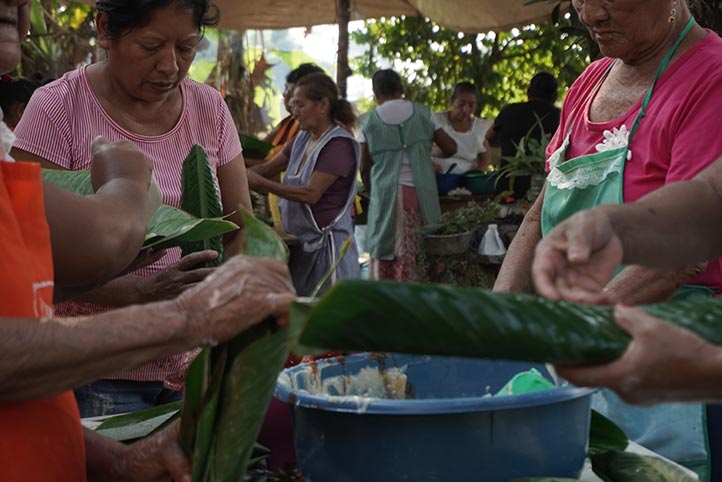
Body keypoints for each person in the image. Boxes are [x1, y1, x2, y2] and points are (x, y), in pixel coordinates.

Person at [0, 5, 295, 480]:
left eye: (186, 47)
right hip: (92, 369)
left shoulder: (208, 108)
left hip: (192, 367)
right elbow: (33, 266)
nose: (170, 66)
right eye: (152, 47)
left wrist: (234, 302)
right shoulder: (58, 108)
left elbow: (241, 228)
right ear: (104, 30)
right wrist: (150, 296)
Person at [493, 0, 722, 477]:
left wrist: (574, 332)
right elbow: (538, 216)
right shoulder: (590, 81)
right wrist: (499, 320)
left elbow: (684, 254)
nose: (591, 13)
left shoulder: (711, 77)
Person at [247, 72, 359, 296]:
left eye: (300, 105)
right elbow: (267, 168)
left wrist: (262, 183)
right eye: (292, 105)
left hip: (329, 252)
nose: (294, 112)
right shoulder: (302, 138)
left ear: (323, 105)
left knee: (325, 319)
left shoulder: (339, 144)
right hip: (302, 247)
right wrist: (232, 172)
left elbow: (311, 194)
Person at [359, 69, 456, 282]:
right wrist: (424, 151)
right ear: (402, 90)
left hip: (385, 197)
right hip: (422, 197)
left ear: (375, 94)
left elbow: (364, 166)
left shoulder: (368, 121)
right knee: (421, 248)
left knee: (387, 248)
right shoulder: (424, 114)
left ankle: (387, 297)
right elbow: (451, 147)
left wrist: (370, 188)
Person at [485, 72, 560, 199]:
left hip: (507, 192)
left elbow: (488, 138)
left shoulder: (509, 111)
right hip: (546, 196)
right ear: (554, 96)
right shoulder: (560, 117)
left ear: (528, 92)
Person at [431, 81, 491, 174]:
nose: (465, 109)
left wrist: (475, 175)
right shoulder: (435, 120)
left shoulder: (480, 128)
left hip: (466, 184)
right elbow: (420, 149)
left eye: (471, 105)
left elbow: (485, 160)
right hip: (436, 179)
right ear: (451, 101)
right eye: (461, 104)